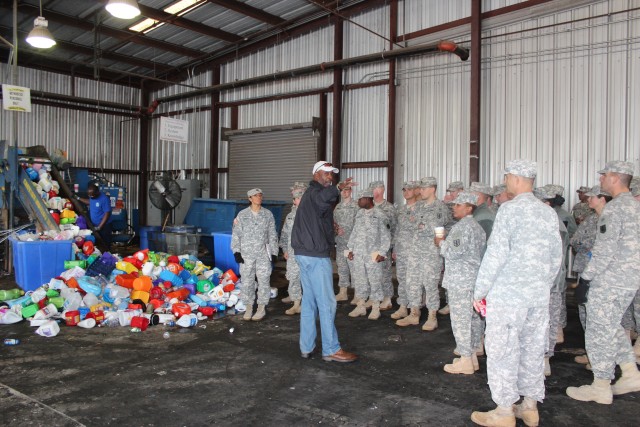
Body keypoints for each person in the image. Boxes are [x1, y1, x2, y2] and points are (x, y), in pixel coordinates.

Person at [471, 159, 562, 427]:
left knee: (503, 351)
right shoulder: (547, 213)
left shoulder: (509, 210)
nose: (506, 180)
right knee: (532, 350)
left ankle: (503, 411)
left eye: (508, 176)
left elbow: (496, 253)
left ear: (518, 179)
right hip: (537, 296)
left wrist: (480, 289)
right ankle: (530, 407)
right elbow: (556, 257)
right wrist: (540, 284)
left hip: (509, 297)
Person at [566, 161, 640, 404]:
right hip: (628, 279)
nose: (601, 180)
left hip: (609, 279)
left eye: (604, 175)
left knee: (598, 330)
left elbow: (605, 251)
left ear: (616, 178)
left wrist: (586, 279)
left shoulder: (615, 208)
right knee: (611, 326)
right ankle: (630, 372)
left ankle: (600, 386)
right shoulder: (635, 206)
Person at [291, 161, 358, 363]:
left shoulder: (311, 197)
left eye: (332, 175)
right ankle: (331, 349)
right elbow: (322, 200)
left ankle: (306, 347)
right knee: (327, 303)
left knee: (310, 303)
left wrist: (330, 225)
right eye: (327, 174)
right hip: (315, 256)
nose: (330, 177)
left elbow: (319, 212)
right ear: (317, 174)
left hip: (304, 254)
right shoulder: (315, 192)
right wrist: (337, 188)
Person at [435, 191, 486, 375]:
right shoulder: (477, 228)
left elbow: (452, 252)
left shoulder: (462, 228)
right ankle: (471, 357)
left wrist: (440, 242)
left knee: (461, 321)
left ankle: (465, 360)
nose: (454, 208)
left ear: (469, 207)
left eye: (458, 205)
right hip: (473, 280)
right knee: (473, 320)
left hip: (460, 281)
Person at [396, 176, 451, 331]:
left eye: (423, 188)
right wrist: (420, 225)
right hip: (414, 250)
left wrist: (422, 226)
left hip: (431, 252)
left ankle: (432, 316)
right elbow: (410, 223)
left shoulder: (440, 207)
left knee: (430, 284)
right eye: (420, 188)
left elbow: (437, 228)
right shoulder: (419, 206)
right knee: (412, 281)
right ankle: (414, 313)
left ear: (432, 189)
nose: (421, 191)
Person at [570, 185, 611, 369]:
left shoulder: (599, 219)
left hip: (593, 273)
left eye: (593, 197)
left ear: (602, 199)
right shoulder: (605, 217)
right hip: (603, 273)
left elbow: (577, 241)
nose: (588, 199)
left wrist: (587, 249)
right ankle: (596, 355)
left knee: (591, 315)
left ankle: (597, 359)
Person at [534, 187, 569, 377]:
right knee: (549, 321)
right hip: (553, 282)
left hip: (546, 282)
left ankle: (543, 359)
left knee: (543, 321)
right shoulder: (554, 222)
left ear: (546, 204)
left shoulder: (547, 224)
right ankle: (545, 359)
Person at [231, 188, 279, 322]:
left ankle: (261, 308)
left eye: (260, 195)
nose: (259, 198)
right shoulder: (242, 215)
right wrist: (236, 251)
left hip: (263, 254)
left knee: (264, 281)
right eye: (255, 196)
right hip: (246, 255)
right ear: (250, 199)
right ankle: (248, 307)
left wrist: (274, 252)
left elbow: (272, 234)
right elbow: (236, 235)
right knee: (247, 282)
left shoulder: (267, 214)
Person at [347, 188, 391, 320]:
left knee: (375, 281)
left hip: (373, 254)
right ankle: (361, 306)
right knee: (360, 280)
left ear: (369, 199)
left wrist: (382, 252)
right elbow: (354, 233)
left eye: (361, 199)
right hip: (359, 254)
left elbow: (386, 235)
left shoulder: (380, 214)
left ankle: (376, 307)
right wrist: (349, 249)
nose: (359, 201)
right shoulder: (359, 214)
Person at [391, 180, 419, 320]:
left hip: (415, 251)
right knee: (401, 279)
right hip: (402, 250)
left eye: (409, 189)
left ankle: (414, 310)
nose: (406, 192)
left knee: (413, 281)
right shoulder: (401, 210)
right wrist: (395, 248)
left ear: (415, 191)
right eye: (404, 189)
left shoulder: (421, 209)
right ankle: (403, 307)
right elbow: (397, 230)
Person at [279, 182, 307, 315]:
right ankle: (296, 303)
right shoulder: (291, 215)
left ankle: (307, 303)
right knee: (293, 276)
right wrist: (284, 249)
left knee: (307, 279)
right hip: (292, 252)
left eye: (299, 197)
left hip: (307, 253)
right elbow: (284, 234)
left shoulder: (310, 213)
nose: (297, 200)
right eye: (295, 197)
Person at [369, 180, 396, 310]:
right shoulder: (369, 206)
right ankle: (374, 297)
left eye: (374, 189)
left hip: (382, 247)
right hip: (370, 247)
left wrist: (391, 247)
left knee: (385, 273)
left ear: (381, 190)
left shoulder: (388, 208)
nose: (373, 192)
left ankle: (387, 298)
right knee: (372, 274)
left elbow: (393, 228)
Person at [333, 182, 359, 303]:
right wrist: (336, 229)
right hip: (341, 243)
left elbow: (360, 225)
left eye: (347, 190)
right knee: (342, 267)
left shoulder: (356, 206)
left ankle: (358, 294)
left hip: (352, 244)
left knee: (354, 269)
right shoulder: (337, 207)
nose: (344, 192)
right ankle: (343, 292)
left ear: (351, 191)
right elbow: (333, 223)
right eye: (342, 190)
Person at [77, 183, 112, 251]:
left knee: (105, 244)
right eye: (89, 195)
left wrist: (100, 227)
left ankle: (108, 257)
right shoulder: (92, 196)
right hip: (95, 225)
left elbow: (107, 214)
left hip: (104, 226)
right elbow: (89, 201)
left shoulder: (104, 199)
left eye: (92, 195)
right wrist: (78, 198)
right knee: (98, 245)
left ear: (97, 192)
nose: (91, 196)